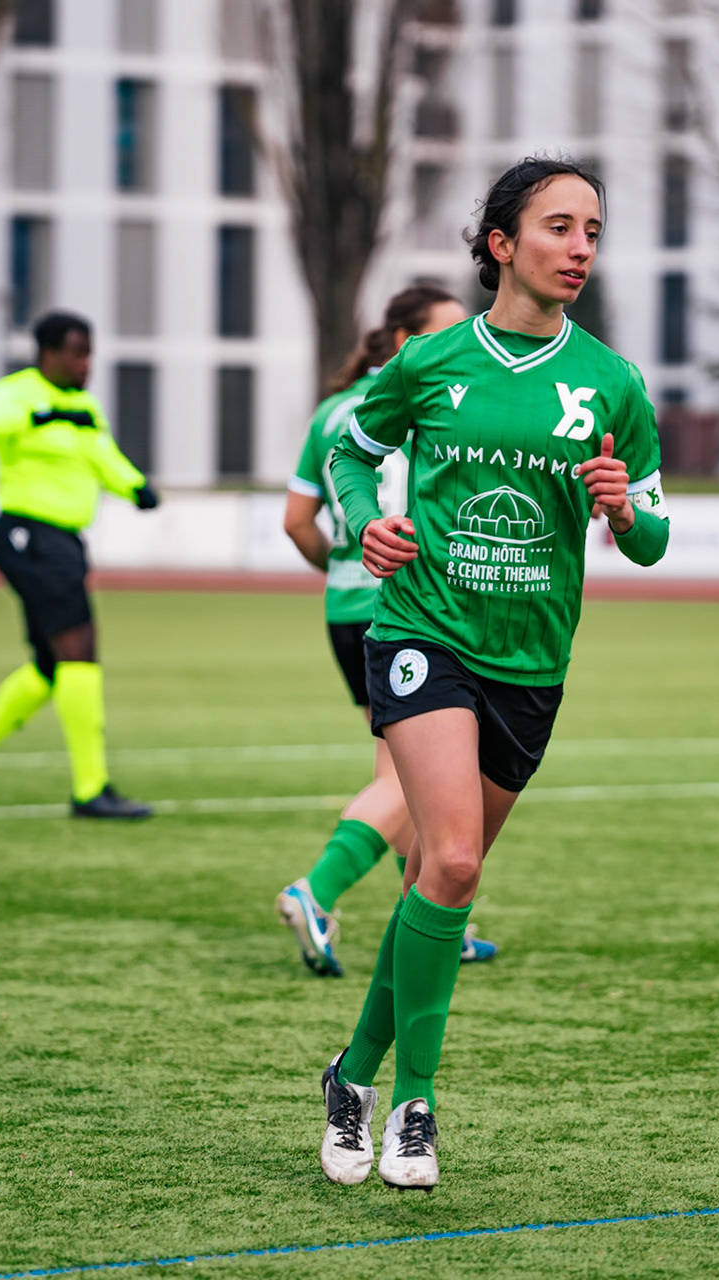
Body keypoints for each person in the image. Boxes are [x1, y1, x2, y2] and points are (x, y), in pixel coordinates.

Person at [314, 156, 670, 1190]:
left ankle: (353, 1073)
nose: (581, 248)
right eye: (560, 226)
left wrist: (622, 508)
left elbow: (651, 538)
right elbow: (352, 449)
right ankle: (416, 1103)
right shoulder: (432, 361)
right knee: (456, 863)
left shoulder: (612, 383)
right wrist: (368, 521)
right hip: (423, 632)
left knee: (437, 878)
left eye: (594, 231)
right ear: (502, 244)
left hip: (532, 662)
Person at [274, 284, 502, 979]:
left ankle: (435, 916)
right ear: (406, 342)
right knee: (413, 780)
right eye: (442, 335)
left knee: (405, 771)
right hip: (408, 608)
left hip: (347, 605)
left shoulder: (331, 411)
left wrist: (341, 567)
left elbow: (296, 522)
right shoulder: (437, 398)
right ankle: (315, 890)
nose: (459, 345)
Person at [0, 311, 158, 818]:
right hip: (28, 534)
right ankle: (90, 789)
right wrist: (43, 415)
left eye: (89, 353)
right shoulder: (18, 392)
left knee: (51, 667)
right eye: (76, 353)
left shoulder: (84, 405)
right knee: (79, 650)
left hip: (63, 542)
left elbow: (101, 456)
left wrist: (134, 486)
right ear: (48, 353)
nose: (85, 364)